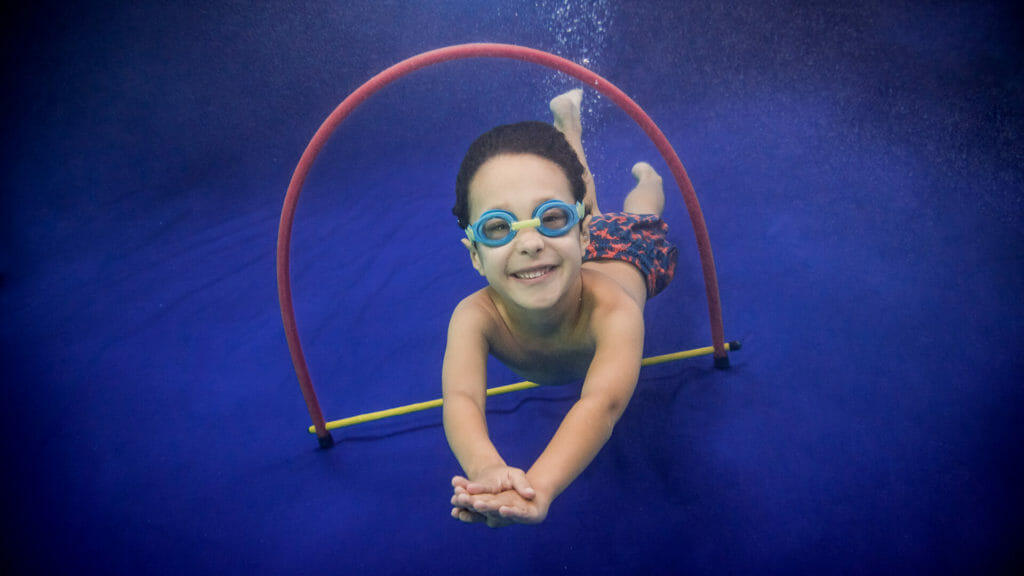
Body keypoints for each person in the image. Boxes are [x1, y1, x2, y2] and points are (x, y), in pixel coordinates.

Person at [443, 89, 677, 527]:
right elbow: (461, 398)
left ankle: (649, 181)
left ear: (583, 235)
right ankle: (568, 132)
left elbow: (600, 404)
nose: (528, 242)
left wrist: (541, 486)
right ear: (474, 254)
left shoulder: (616, 313)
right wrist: (486, 468)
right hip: (568, 249)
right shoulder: (474, 318)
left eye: (548, 218)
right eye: (498, 227)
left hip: (629, 255)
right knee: (570, 196)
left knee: (637, 214)